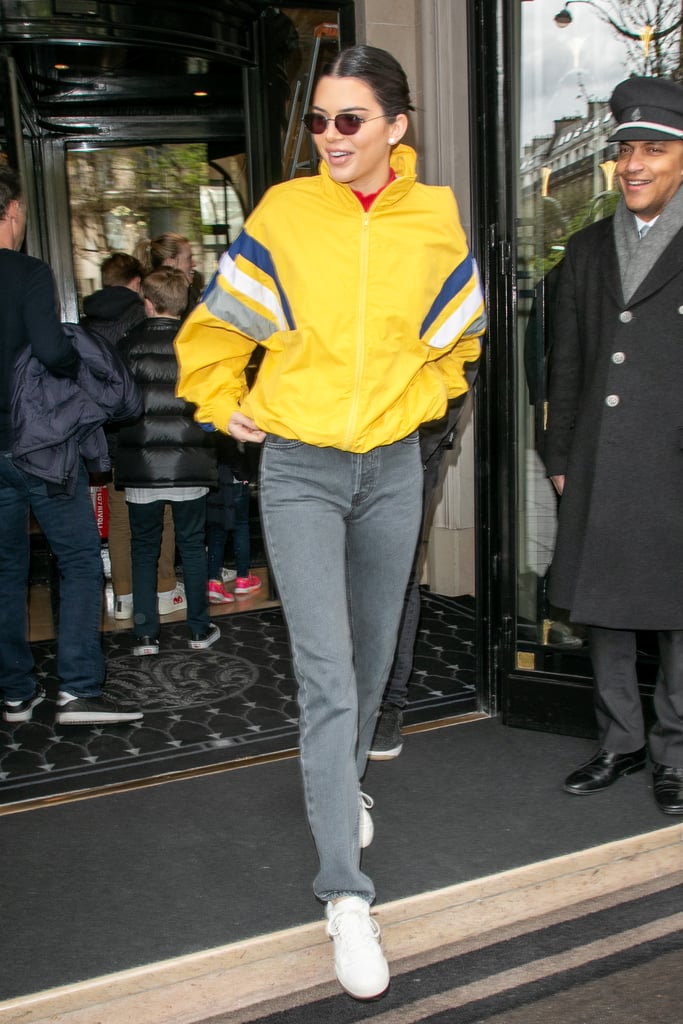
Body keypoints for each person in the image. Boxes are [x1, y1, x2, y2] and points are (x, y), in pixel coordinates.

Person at [174, 44, 485, 1001]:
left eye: (349, 120)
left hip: (391, 468)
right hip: (301, 468)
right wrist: (219, 395)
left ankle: (342, 783)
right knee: (323, 673)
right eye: (318, 120)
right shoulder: (284, 214)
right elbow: (217, 326)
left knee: (365, 661)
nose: (329, 137)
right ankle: (345, 897)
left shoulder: (433, 219)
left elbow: (458, 336)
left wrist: (424, 397)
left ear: (397, 127)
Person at [544, 76, 683, 817]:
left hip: (674, 464)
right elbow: (564, 360)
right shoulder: (589, 247)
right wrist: (559, 454)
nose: (633, 163)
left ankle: (675, 753)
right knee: (603, 611)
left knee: (678, 614)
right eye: (625, 148)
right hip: (599, 458)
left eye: (653, 148)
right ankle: (619, 742)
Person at [0, 164, 143, 727]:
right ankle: (79, 689)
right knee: (80, 557)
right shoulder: (28, 272)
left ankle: (15, 694)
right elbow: (53, 352)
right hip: (36, 447)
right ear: (12, 212)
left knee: (6, 571)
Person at [116, 267, 219, 655]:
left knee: (145, 549)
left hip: (142, 464)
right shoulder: (199, 345)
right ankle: (198, 629)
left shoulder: (128, 345)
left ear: (146, 302)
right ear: (186, 302)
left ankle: (145, 635)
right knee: (193, 547)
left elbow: (116, 405)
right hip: (189, 461)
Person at [80, 252, 186, 621]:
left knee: (121, 517)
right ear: (138, 285)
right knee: (164, 514)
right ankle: (163, 589)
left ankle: (123, 596)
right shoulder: (139, 319)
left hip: (106, 435)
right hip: (141, 433)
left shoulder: (87, 322)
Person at [369, 393, 469, 760]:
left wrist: (425, 440)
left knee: (399, 575)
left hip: (412, 444)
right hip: (335, 445)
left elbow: (459, 368)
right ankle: (347, 701)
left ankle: (389, 705)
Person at [206, 434, 262, 604]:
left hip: (214, 474)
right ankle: (243, 578)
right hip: (236, 475)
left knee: (216, 528)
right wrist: (245, 472)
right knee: (241, 526)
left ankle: (214, 581)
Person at [135, 231, 202, 313]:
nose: (194, 264)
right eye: (189, 258)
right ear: (170, 263)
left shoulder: (191, 295)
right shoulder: (164, 304)